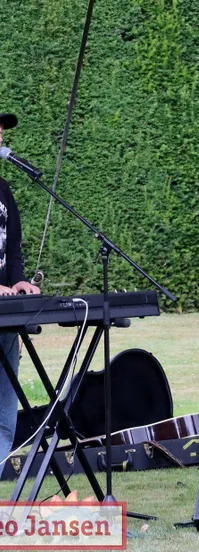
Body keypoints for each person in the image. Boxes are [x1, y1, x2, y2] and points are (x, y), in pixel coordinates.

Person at [0, 112, 42, 467]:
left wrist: (18, 281)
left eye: (0, 133)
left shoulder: (3, 189)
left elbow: (13, 247)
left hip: (5, 310)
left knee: (4, 412)